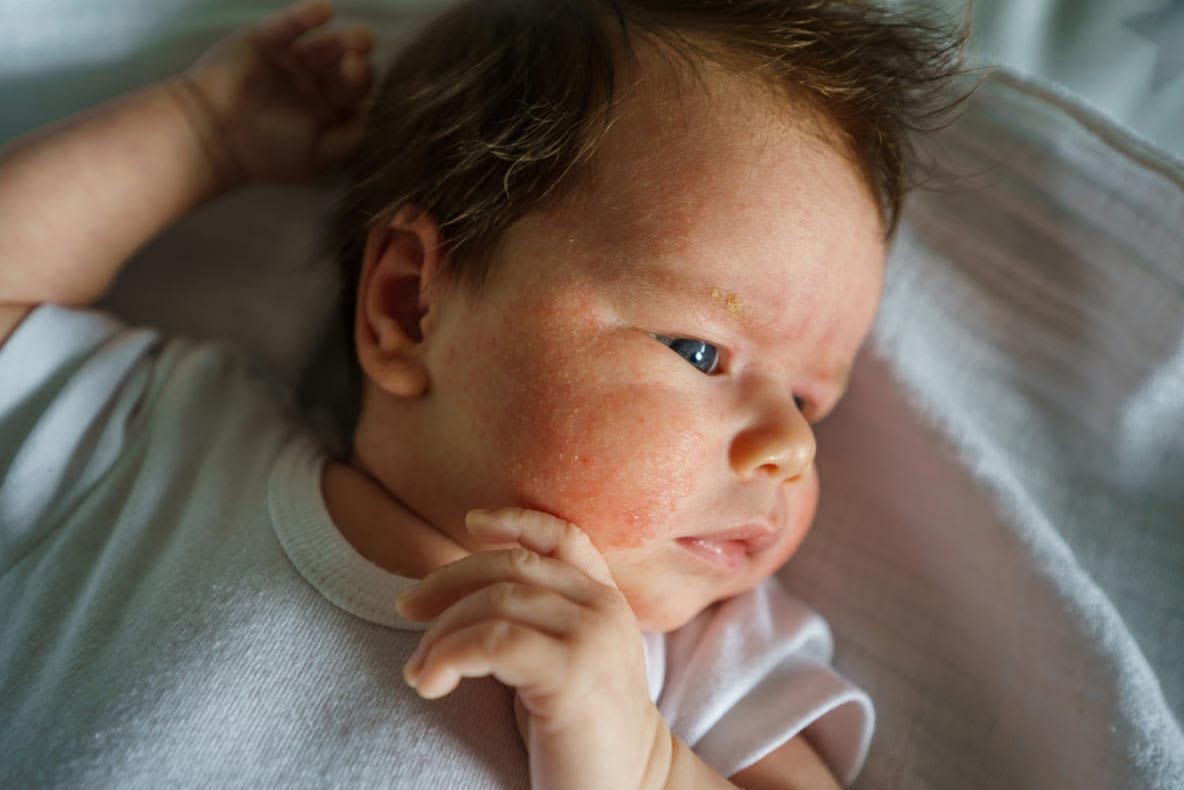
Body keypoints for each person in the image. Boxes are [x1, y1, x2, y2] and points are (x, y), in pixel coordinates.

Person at [0, 1, 965, 787]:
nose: (790, 450)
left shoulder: (694, 662)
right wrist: (199, 135)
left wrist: (640, 760)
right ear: (411, 305)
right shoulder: (168, 450)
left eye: (809, 403)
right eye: (703, 352)